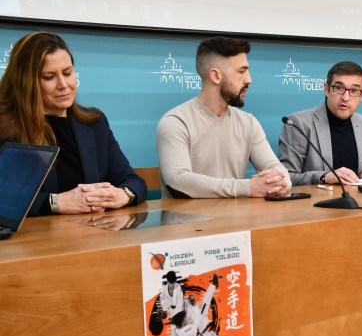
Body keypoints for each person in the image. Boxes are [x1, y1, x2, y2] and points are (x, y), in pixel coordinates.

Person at [0, 31, 146, 215]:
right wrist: (55, 202)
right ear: (26, 82)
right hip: (35, 239)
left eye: (67, 73)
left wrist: (122, 195)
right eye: (49, 77)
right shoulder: (5, 127)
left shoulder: (94, 122)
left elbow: (133, 181)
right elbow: (5, 198)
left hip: (93, 235)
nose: (63, 84)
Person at [157, 36, 290, 198]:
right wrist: (246, 187)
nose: (249, 79)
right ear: (216, 76)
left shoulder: (248, 122)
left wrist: (281, 181)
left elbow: (273, 165)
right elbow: (177, 180)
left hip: (238, 220)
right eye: (241, 71)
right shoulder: (176, 122)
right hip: (186, 221)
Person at [278, 61, 362, 186]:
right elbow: (285, 176)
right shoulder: (298, 123)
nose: (346, 97)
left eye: (354, 90)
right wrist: (323, 177)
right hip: (314, 203)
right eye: (339, 88)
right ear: (326, 89)